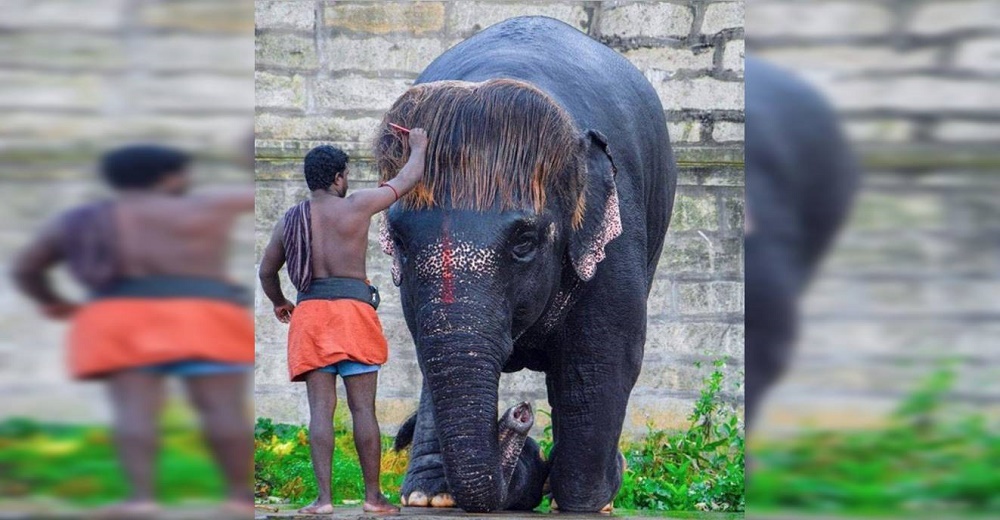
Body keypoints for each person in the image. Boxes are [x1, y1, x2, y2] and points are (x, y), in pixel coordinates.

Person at [11, 144, 256, 516]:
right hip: (207, 315)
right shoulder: (208, 205)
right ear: (168, 176)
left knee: (134, 411)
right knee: (223, 410)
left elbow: (26, 269)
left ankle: (141, 499)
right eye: (183, 173)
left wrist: (52, 302)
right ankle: (239, 497)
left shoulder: (81, 218)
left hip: (122, 317)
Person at [259, 128, 428, 515]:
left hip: (312, 317)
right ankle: (372, 498)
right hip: (354, 315)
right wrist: (418, 145)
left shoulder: (289, 220)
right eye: (346, 174)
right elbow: (407, 179)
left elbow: (267, 272)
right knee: (363, 411)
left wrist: (280, 302)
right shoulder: (357, 206)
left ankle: (323, 501)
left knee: (321, 411)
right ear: (338, 177)